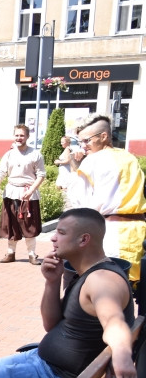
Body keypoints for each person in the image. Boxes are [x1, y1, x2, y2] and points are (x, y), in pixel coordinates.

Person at [0, 208, 136, 378]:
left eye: (61, 232)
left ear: (83, 240)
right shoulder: (86, 273)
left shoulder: (102, 280)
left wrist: (121, 353)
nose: (53, 238)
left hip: (57, 377)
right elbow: (50, 325)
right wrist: (52, 281)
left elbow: (114, 321)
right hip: (46, 362)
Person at [66, 114, 146, 283]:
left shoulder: (93, 160)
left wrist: (74, 167)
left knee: (107, 289)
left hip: (109, 235)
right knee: (134, 290)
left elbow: (79, 202)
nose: (83, 146)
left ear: (103, 137)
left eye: (87, 141)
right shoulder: (130, 158)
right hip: (137, 232)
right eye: (80, 141)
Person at [0, 124, 46, 265]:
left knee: (30, 225)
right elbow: (1, 172)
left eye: (22, 135)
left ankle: (32, 254)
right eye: (17, 135)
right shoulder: (9, 154)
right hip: (11, 193)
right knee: (11, 224)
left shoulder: (35, 154)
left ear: (27, 137)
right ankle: (10, 253)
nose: (19, 138)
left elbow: (41, 175)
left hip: (28, 195)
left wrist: (31, 191)